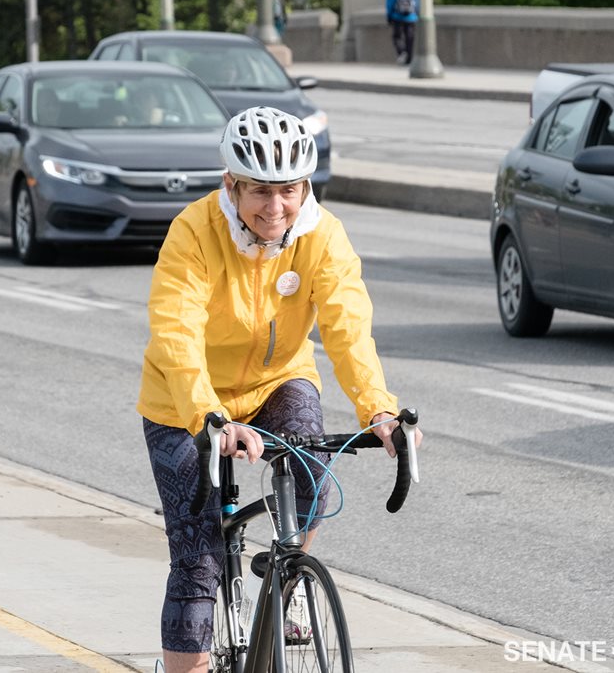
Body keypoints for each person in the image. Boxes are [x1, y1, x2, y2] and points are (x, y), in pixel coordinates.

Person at [137, 106, 422, 673]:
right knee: (198, 561)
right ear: (231, 185)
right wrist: (208, 417)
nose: (275, 208)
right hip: (183, 404)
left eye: (288, 191)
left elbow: (347, 328)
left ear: (305, 186)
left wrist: (380, 410)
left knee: (315, 474)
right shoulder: (194, 232)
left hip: (277, 380)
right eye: (260, 193)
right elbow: (176, 333)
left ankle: (286, 576)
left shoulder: (323, 236)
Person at [386, 0, 420, 65]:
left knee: (397, 37)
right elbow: (417, 5)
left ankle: (402, 52)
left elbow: (390, 4)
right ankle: (409, 59)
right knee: (410, 38)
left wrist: (389, 16)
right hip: (411, 18)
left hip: (397, 17)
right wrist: (416, 15)